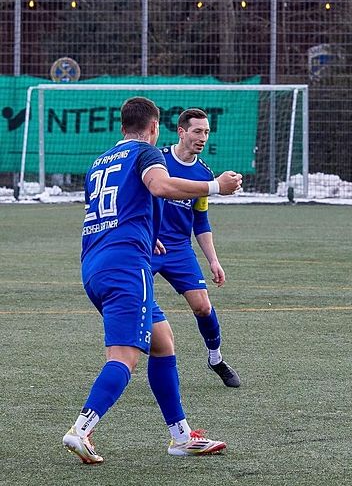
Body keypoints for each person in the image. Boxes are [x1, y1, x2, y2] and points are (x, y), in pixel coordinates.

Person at [62, 97, 242, 464]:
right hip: (127, 268)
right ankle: (81, 429)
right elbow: (160, 187)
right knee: (124, 357)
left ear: (122, 125)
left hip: (94, 265)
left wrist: (147, 233)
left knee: (163, 342)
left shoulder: (99, 163)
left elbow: (115, 210)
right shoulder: (148, 154)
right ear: (156, 128)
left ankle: (180, 437)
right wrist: (215, 187)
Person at [152, 108, 240, 388]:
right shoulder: (159, 161)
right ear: (181, 132)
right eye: (197, 131)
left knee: (203, 306)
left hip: (178, 248)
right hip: (148, 243)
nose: (202, 137)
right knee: (132, 299)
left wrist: (213, 260)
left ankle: (215, 358)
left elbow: (200, 221)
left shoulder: (204, 174)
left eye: (206, 132)